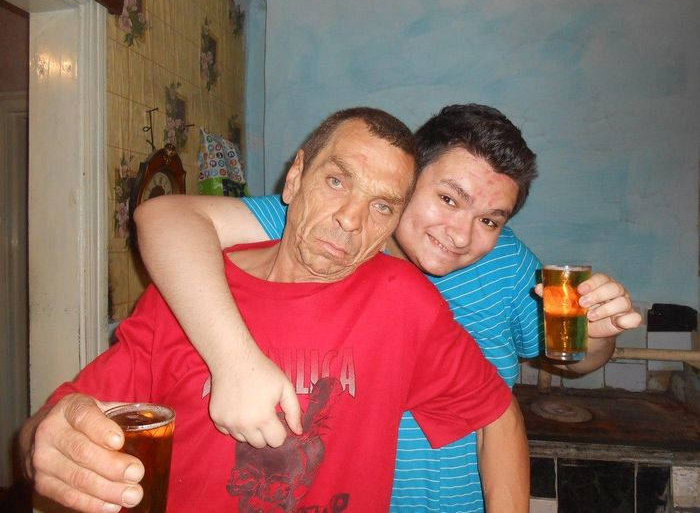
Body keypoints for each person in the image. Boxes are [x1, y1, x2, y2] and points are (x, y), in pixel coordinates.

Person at [133, 103, 642, 512]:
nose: (460, 234)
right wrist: (234, 363)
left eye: (490, 219)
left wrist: (598, 334)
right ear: (406, 181)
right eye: (448, 199)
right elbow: (166, 220)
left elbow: (562, 366)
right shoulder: (330, 224)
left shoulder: (507, 265)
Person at [19, 107, 529, 513]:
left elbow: (494, 410)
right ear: (295, 177)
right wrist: (46, 442)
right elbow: (53, 424)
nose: (351, 220)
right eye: (337, 182)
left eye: (382, 206)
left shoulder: (404, 302)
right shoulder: (190, 288)